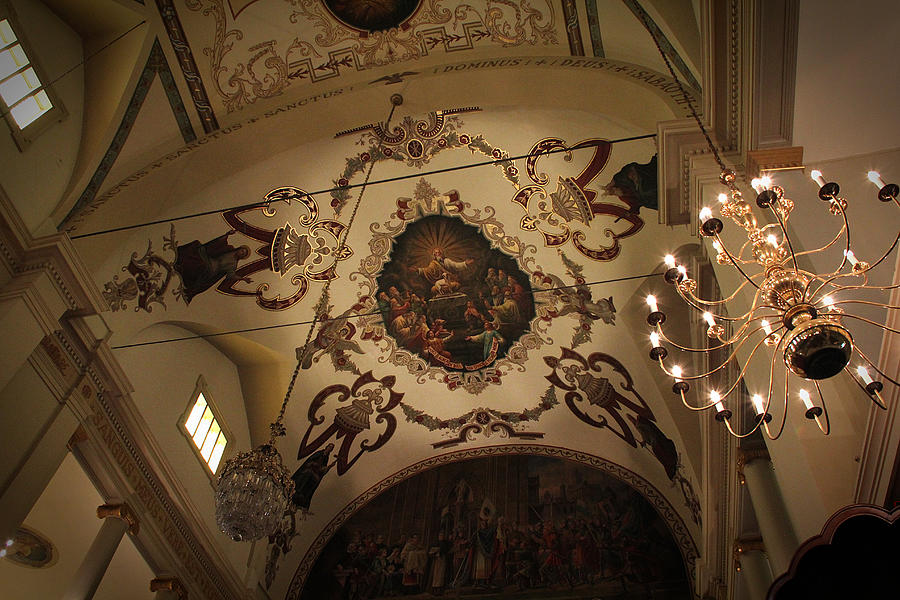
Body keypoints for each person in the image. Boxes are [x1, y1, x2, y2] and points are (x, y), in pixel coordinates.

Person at [173, 230, 252, 304]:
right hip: (209, 258)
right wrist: (227, 234)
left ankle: (182, 269)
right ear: (240, 248)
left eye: (243, 254)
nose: (241, 253)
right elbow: (220, 243)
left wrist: (243, 279)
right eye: (242, 250)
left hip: (211, 269)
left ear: (242, 257)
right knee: (196, 245)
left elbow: (231, 275)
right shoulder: (229, 249)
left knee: (202, 265)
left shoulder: (233, 264)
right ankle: (179, 260)